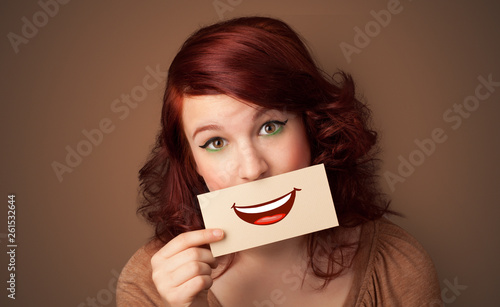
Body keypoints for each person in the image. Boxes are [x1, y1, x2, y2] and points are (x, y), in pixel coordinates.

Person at [117, 16, 442, 306]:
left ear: (312, 128)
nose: (252, 168)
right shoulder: (147, 287)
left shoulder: (396, 266)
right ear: (191, 162)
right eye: (216, 142)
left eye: (270, 127)